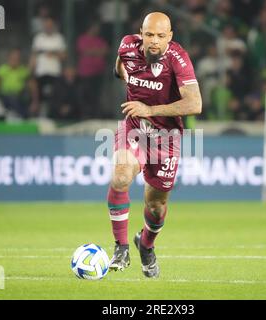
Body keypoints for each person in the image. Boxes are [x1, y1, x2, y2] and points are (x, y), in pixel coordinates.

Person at [108, 12, 202, 278]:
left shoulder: (178, 58)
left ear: (170, 37)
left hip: (167, 138)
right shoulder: (127, 45)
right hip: (135, 128)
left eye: (161, 36)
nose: (154, 41)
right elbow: (120, 67)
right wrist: (126, 77)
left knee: (156, 207)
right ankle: (121, 247)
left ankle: (146, 246)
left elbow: (195, 104)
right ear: (141, 33)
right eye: (149, 34)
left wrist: (149, 108)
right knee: (121, 175)